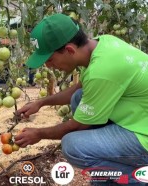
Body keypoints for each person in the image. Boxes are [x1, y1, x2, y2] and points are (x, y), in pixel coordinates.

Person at [14, 13, 148, 185]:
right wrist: (41, 102)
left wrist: (39, 134)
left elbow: (77, 125)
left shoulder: (102, 71)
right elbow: (80, 88)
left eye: (50, 59)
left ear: (69, 49)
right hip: (139, 117)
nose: (48, 66)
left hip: (143, 134)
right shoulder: (102, 44)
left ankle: (137, 177)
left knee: (73, 146)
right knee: (79, 97)